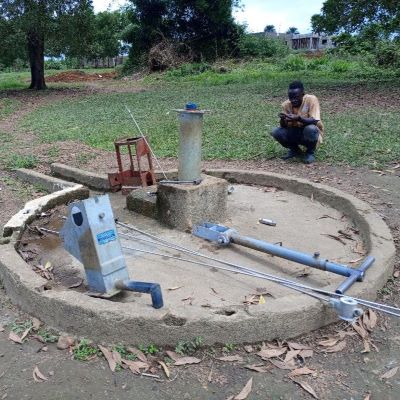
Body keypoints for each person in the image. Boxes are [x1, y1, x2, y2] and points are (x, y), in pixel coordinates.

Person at [271, 81, 324, 164]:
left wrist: (299, 118)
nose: (293, 100)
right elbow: (283, 126)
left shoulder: (311, 99)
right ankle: (295, 150)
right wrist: (283, 119)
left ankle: (310, 152)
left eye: (296, 97)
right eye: (290, 98)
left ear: (303, 94)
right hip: (294, 131)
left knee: (310, 129)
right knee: (276, 132)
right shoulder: (286, 105)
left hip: (309, 133)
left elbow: (315, 120)